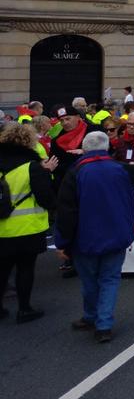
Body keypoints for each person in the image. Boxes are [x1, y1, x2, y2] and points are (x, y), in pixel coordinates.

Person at [55, 131, 134, 341]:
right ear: (107, 147)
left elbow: (66, 211)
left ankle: (92, 317)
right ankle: (103, 324)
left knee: (89, 281)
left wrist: (62, 242)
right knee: (110, 279)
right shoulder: (121, 169)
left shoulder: (76, 172)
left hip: (85, 238)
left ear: (85, 149)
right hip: (117, 234)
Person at [0, 124, 58, 322]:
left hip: (2, 226)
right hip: (27, 226)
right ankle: (24, 309)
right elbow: (45, 198)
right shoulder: (32, 167)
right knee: (25, 269)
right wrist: (47, 173)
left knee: (3, 268)